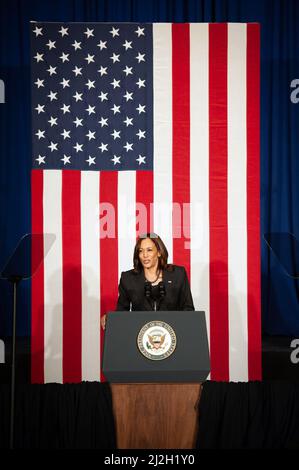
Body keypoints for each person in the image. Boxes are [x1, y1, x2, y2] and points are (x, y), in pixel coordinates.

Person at [101, 233, 194, 329]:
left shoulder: (177, 274)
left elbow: (188, 309)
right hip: (139, 334)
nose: (144, 255)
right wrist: (110, 318)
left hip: (173, 333)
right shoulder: (128, 278)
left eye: (149, 250)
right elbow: (121, 312)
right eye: (141, 251)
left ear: (159, 252)